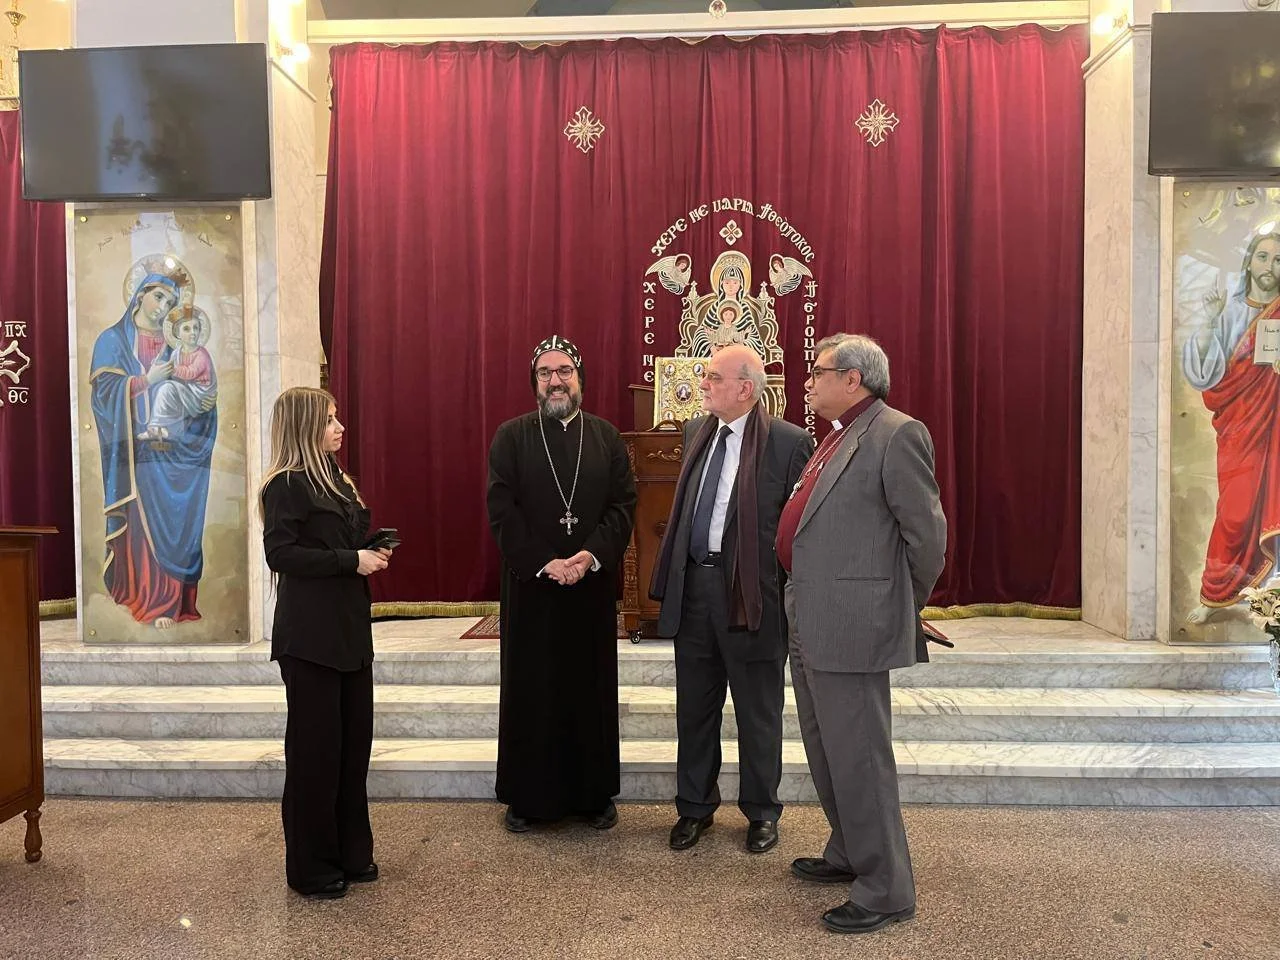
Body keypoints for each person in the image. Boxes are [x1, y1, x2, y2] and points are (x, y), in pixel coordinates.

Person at [777, 333, 946, 935]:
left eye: (818, 372)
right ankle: (848, 849)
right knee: (826, 747)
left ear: (854, 378)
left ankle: (886, 888)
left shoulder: (896, 433)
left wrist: (898, 604)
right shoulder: (837, 435)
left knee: (861, 755)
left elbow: (927, 538)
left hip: (854, 621)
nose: (807, 382)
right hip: (810, 610)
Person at [649, 344, 813, 853]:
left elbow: (797, 530)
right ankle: (694, 807)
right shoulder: (696, 433)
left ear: (745, 388)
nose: (703, 384)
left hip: (752, 597)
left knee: (758, 712)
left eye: (713, 377)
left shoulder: (789, 443)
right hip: (695, 589)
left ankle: (762, 811)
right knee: (695, 708)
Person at [486, 335, 637, 833]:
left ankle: (593, 795)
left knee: (589, 689)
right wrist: (544, 562)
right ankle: (527, 797)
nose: (556, 381)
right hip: (533, 587)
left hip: (589, 587)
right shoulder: (511, 437)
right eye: (545, 373)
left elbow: (622, 505)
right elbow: (501, 510)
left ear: (580, 379)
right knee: (533, 689)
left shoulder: (606, 437)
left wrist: (589, 555)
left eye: (564, 371)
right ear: (534, 382)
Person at [259, 386, 391, 900]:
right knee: (316, 755)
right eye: (330, 419)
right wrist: (350, 560)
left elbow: (340, 544)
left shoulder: (336, 479)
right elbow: (281, 555)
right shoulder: (285, 485)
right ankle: (312, 867)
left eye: (337, 417)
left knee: (352, 750)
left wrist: (370, 550)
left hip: (349, 630)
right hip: (310, 637)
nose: (340, 427)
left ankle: (351, 852)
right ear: (304, 425)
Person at [89, 270, 216, 629]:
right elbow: (103, 395)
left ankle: (174, 603)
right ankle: (147, 600)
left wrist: (197, 408)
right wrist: (148, 380)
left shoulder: (179, 343)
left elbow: (202, 397)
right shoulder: (112, 341)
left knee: (177, 522)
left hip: (175, 453)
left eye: (171, 302)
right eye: (159, 297)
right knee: (141, 528)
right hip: (136, 455)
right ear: (140, 294)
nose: (164, 307)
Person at [1182, 229, 1280, 622]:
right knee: (1235, 512)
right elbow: (1205, 375)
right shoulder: (1229, 312)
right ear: (1249, 262)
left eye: (1278, 260)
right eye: (1263, 257)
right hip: (1240, 426)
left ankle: (1268, 597)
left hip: (1277, 425)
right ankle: (1216, 593)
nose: (1269, 266)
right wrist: (1209, 322)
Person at [139, 307, 217, 441]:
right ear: (178, 334)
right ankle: (162, 429)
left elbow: (190, 373)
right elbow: (174, 375)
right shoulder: (177, 353)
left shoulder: (201, 354)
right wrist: (161, 366)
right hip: (185, 392)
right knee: (161, 389)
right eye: (187, 329)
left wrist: (171, 368)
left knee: (167, 388)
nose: (193, 333)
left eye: (196, 328)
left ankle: (156, 426)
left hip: (199, 396)